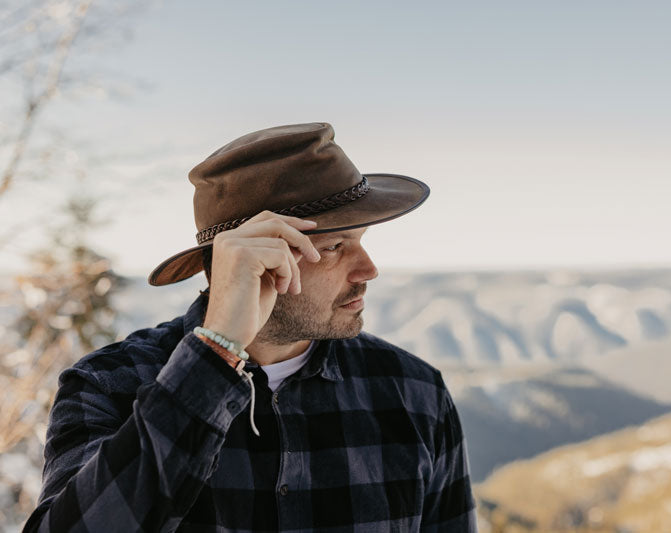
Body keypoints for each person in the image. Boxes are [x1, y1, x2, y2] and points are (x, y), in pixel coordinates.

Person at [24, 123, 477, 532]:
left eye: (361, 242)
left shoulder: (414, 392)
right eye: (336, 245)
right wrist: (216, 351)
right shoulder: (110, 385)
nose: (368, 269)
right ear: (244, 263)